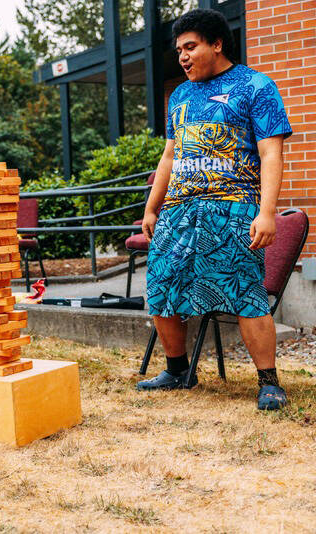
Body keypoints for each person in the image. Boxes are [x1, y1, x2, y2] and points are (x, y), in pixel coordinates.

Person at [137, 9, 292, 410]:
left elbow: (270, 153)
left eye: (191, 47)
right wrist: (152, 207)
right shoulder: (182, 95)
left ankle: (269, 382)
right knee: (162, 287)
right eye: (179, 51)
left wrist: (268, 211)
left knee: (244, 292)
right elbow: (170, 155)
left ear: (217, 44)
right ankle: (177, 370)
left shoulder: (256, 85)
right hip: (178, 211)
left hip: (233, 208)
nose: (183, 57)